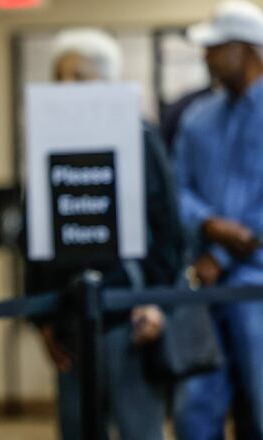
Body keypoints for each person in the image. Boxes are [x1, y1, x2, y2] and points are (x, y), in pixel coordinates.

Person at [25, 28, 183, 440]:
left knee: (138, 427)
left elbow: (168, 229)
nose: (67, 87)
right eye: (60, 77)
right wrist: (41, 318)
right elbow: (35, 236)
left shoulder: (140, 137)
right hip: (68, 319)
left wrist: (158, 302)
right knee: (77, 427)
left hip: (129, 316)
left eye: (80, 76)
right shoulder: (47, 142)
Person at [174, 1, 263, 438]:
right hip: (205, 291)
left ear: (247, 50)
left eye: (215, 47)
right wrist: (209, 226)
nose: (206, 57)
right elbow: (176, 188)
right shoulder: (196, 118)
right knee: (196, 412)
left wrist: (221, 255)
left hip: (256, 287)